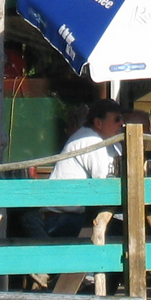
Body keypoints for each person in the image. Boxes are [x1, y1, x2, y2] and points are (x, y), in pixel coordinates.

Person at [21, 99, 124, 240]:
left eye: (122, 118)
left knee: (128, 231)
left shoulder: (114, 143)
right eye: (117, 119)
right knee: (123, 234)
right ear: (98, 123)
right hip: (61, 218)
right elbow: (105, 184)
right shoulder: (89, 140)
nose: (121, 123)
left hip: (81, 215)